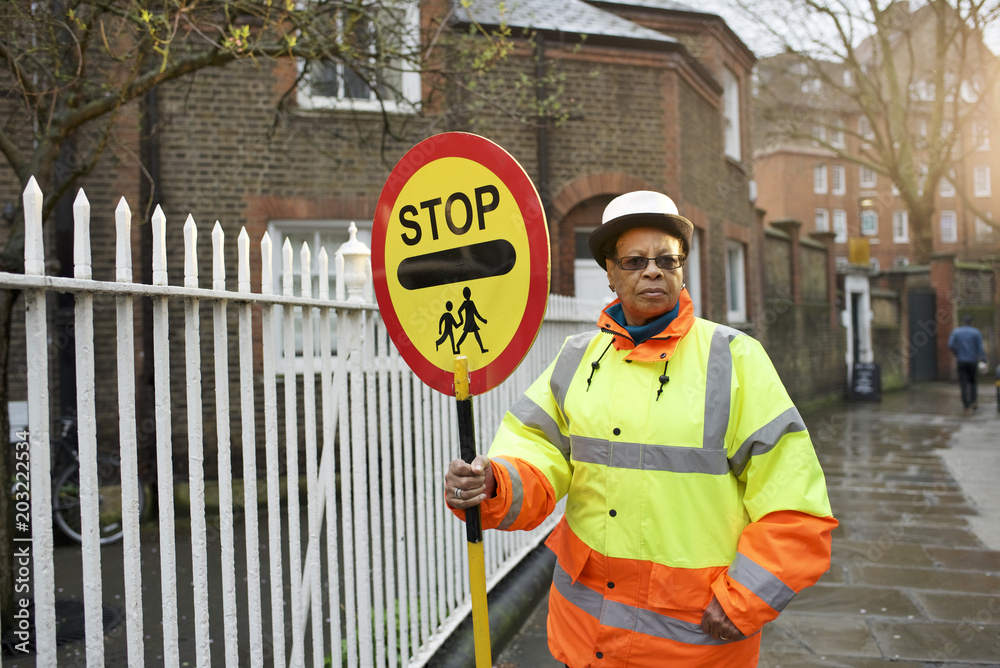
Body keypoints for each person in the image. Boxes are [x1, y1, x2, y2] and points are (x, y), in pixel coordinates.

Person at [444, 190, 837, 667]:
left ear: (681, 269)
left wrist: (746, 598)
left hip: (690, 647)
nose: (653, 270)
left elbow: (795, 505)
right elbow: (537, 453)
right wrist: (494, 482)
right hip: (584, 639)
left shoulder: (735, 360)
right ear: (609, 273)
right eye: (634, 261)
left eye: (667, 259)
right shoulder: (576, 359)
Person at [948, 314, 987, 414]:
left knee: (963, 383)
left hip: (961, 361)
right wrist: (984, 360)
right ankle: (973, 401)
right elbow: (980, 348)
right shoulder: (976, 332)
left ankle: (966, 405)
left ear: (963, 322)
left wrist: (957, 354)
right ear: (971, 323)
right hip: (973, 361)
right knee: (973, 382)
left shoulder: (956, 332)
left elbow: (950, 345)